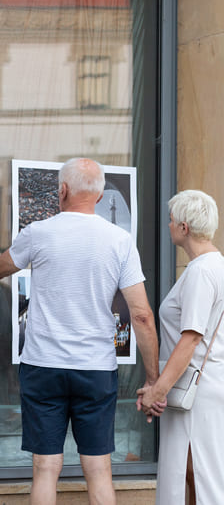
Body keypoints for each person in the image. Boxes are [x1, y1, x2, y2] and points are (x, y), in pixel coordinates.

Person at [0, 157, 159, 505]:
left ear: (62, 190)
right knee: (100, 470)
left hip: (44, 365)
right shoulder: (119, 241)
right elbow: (142, 316)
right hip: (96, 369)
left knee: (45, 469)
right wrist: (153, 379)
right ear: (101, 196)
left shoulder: (40, 232)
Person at [137, 190, 224, 504]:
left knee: (194, 476)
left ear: (185, 228)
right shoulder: (217, 266)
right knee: (196, 475)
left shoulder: (201, 271)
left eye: (172, 220)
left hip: (195, 390)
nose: (169, 225)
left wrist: (158, 390)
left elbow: (191, 338)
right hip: (207, 384)